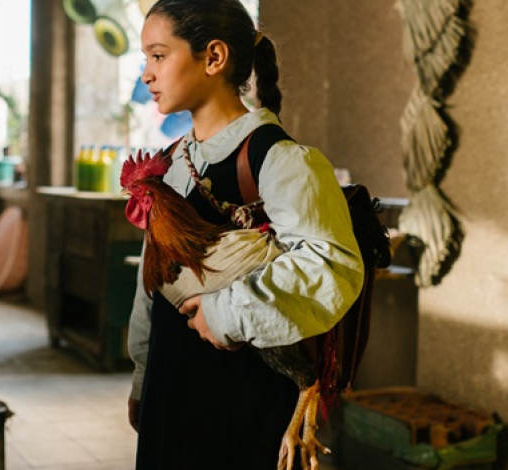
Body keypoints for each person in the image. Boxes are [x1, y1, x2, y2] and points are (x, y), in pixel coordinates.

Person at [126, 1, 364, 468]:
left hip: (245, 400)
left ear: (213, 58)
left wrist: (225, 313)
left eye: (158, 56)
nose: (147, 74)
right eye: (146, 59)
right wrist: (142, 376)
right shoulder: (172, 162)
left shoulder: (280, 160)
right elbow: (151, 286)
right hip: (172, 386)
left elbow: (331, 266)